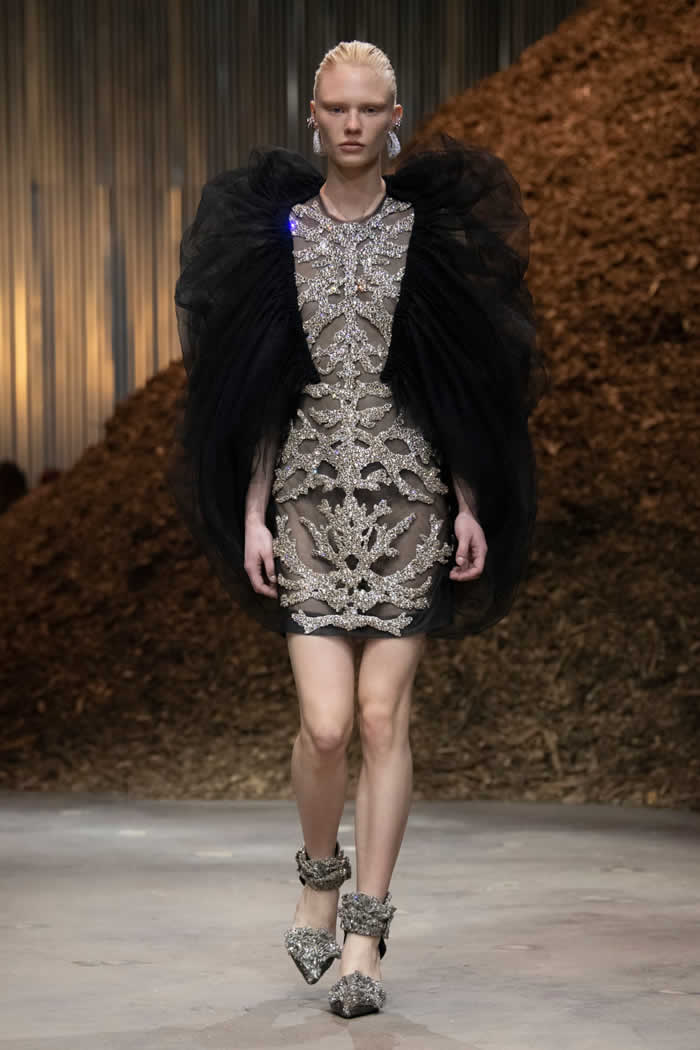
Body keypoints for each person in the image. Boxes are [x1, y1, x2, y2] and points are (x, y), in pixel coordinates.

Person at [169, 40, 548, 1019]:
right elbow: (255, 389)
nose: (350, 123)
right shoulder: (279, 233)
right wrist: (251, 513)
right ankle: (317, 877)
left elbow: (457, 383)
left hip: (408, 500)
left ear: (394, 117)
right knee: (327, 725)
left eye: (367, 108)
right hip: (303, 500)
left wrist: (468, 501)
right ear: (312, 115)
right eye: (335, 107)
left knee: (382, 720)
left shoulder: (427, 235)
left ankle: (365, 940)